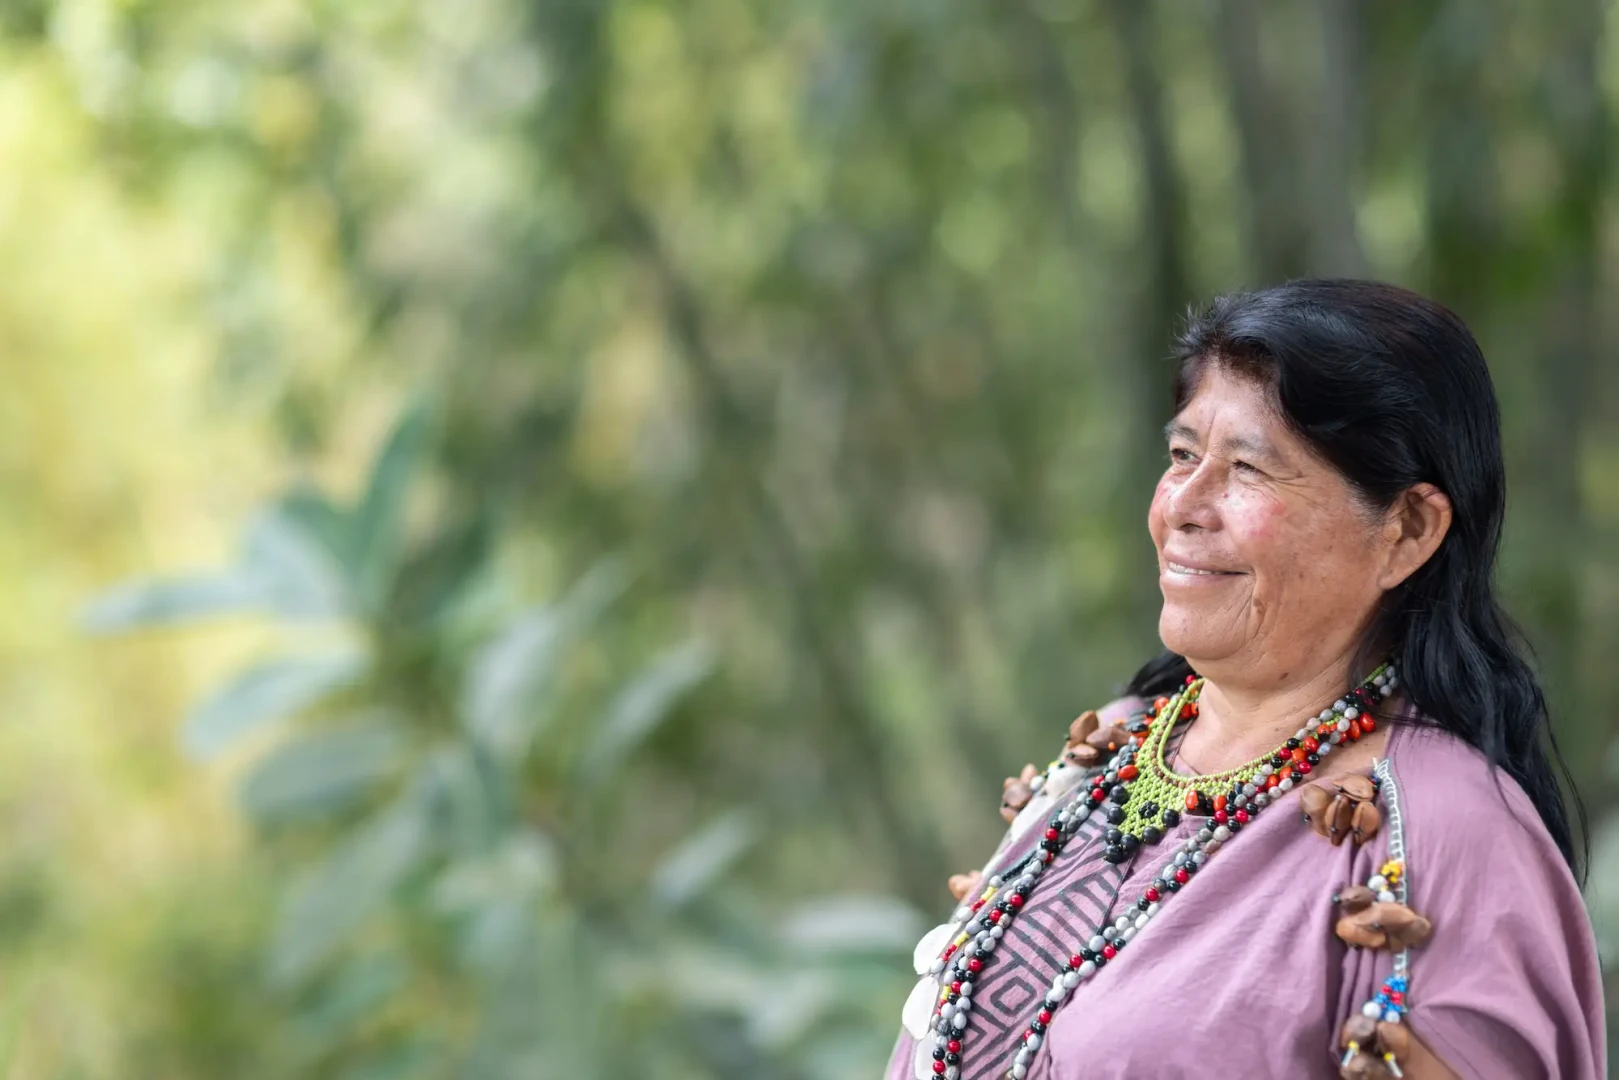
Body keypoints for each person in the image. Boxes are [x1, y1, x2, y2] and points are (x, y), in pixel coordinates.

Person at [885, 280, 1605, 1080]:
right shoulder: (1111, 746)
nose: (1183, 507)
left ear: (1407, 529)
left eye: (1248, 469)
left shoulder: (1449, 837)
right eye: (1183, 455)